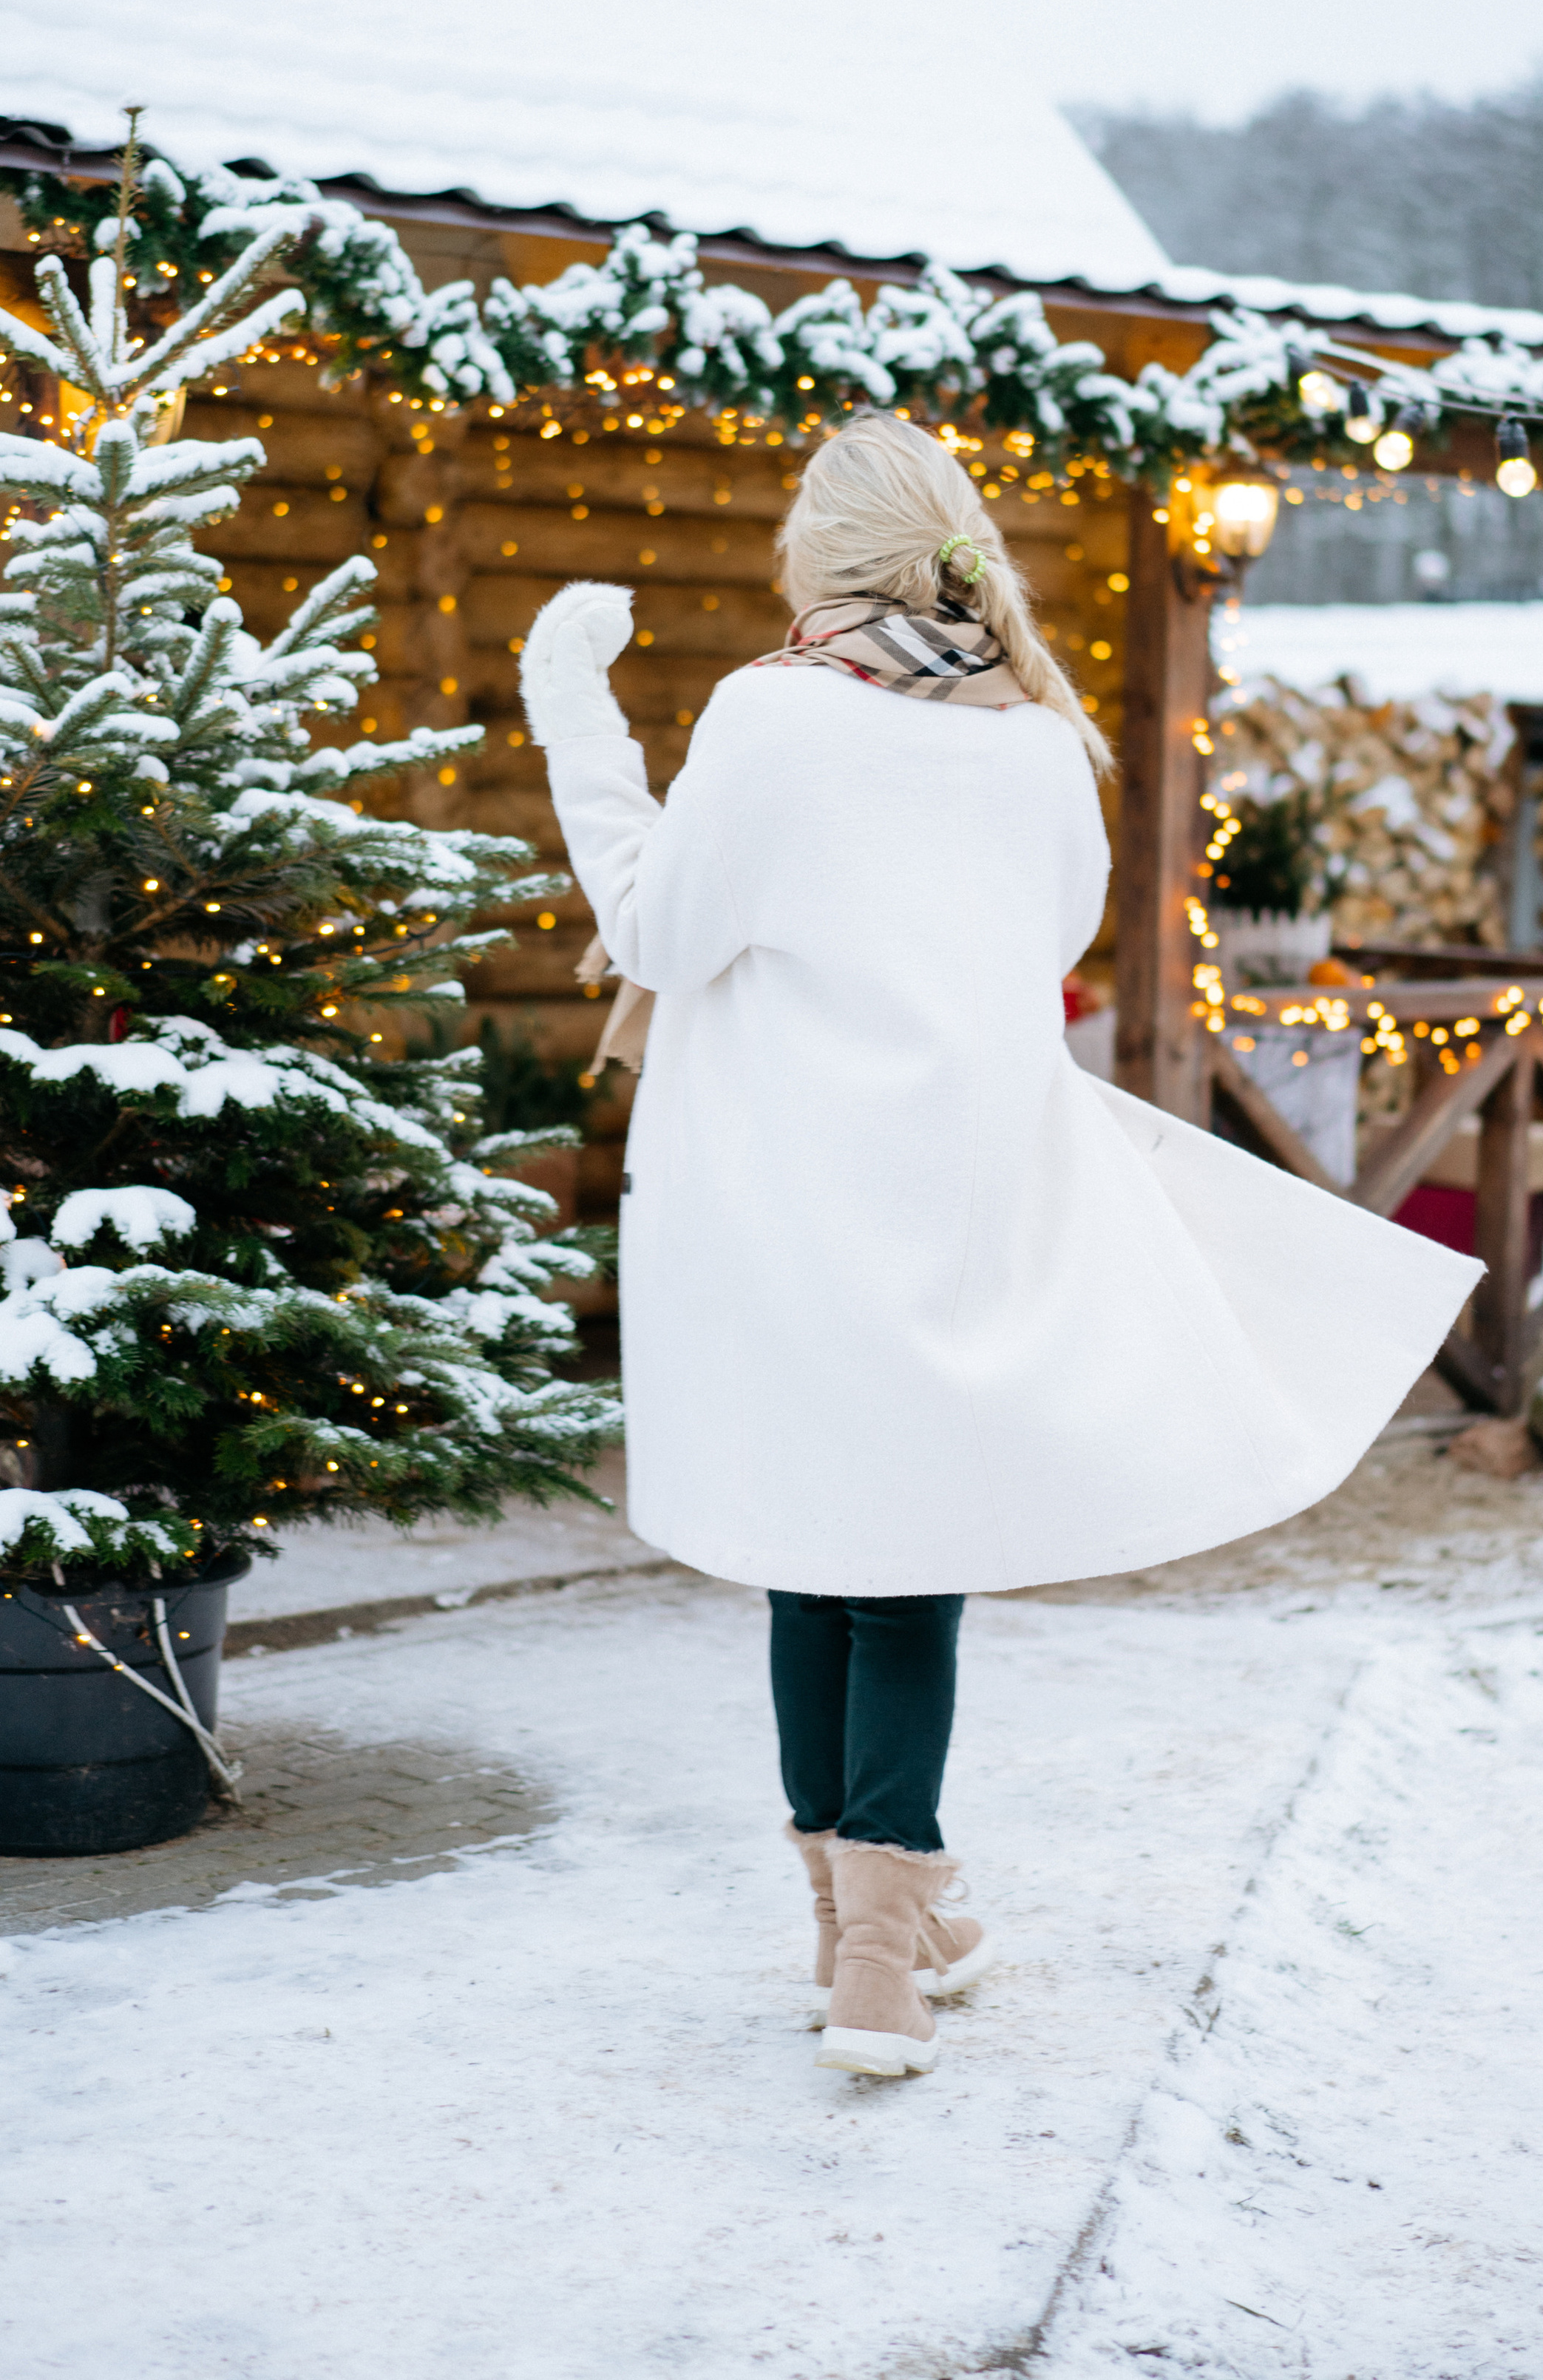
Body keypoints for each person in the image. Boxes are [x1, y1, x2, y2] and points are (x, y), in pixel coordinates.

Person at [521, 410, 1473, 2079]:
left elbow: (657, 928)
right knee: (901, 1564)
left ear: (817, 565)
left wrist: (573, 719)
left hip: (777, 1208)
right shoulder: (1039, 739)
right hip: (956, 1195)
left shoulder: (767, 715)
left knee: (813, 1549)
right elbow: (1040, 938)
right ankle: (883, 1942)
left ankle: (860, 1939)